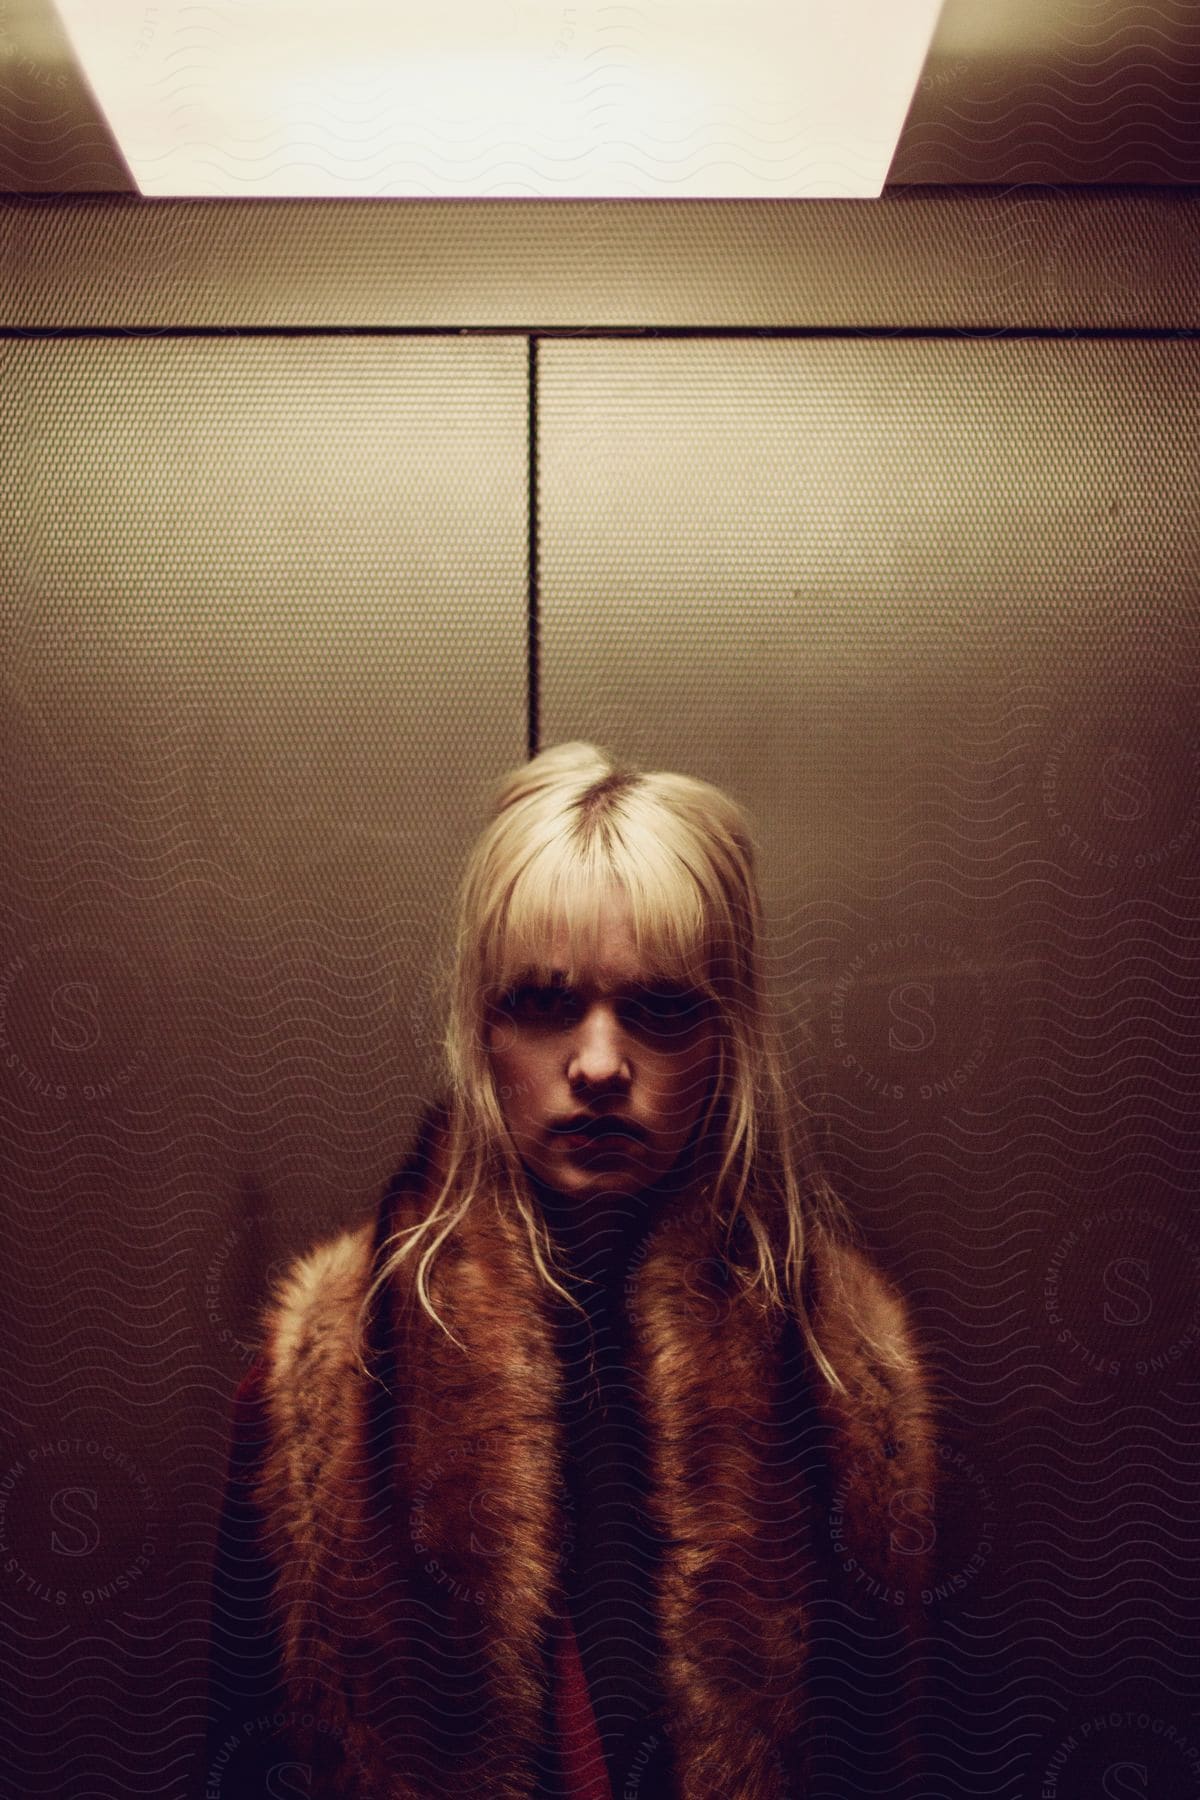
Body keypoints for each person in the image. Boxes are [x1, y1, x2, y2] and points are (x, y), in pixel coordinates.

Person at [199, 741, 941, 1799]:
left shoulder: (842, 1390)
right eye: (545, 1004)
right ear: (479, 1027)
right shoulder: (325, 1390)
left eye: (662, 1007)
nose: (599, 1064)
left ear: (727, 1040)